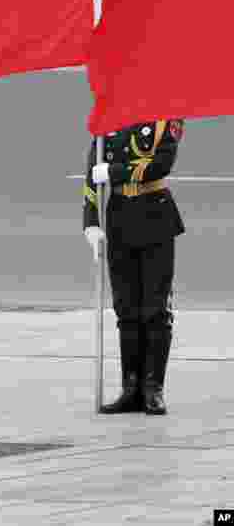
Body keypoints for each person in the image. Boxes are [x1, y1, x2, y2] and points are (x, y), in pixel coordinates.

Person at [83, 118, 184, 415]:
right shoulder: (108, 120)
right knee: (125, 310)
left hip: (155, 217)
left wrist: (113, 172)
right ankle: (131, 388)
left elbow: (161, 164)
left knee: (155, 309)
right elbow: (92, 177)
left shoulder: (166, 118)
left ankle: (153, 388)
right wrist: (90, 223)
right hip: (119, 220)